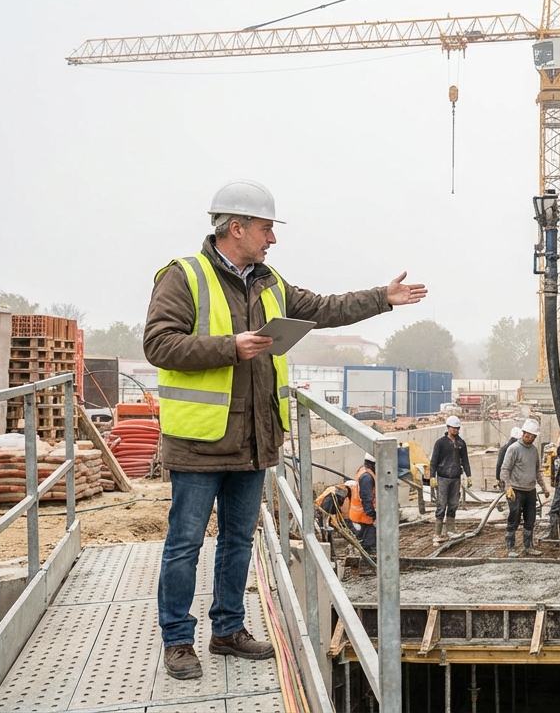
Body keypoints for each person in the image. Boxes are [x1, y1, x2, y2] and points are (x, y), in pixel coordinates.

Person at [144, 179, 427, 680]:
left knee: (237, 541)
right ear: (237, 228)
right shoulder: (182, 276)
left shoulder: (269, 282)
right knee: (184, 545)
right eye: (266, 228)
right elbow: (160, 345)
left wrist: (382, 298)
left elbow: (323, 308)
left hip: (254, 441)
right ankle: (178, 641)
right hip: (199, 444)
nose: (272, 238)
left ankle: (228, 629)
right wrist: (230, 346)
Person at [499, 419, 551, 557]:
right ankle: (510, 547)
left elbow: (537, 471)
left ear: (534, 437)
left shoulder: (534, 451)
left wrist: (544, 487)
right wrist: (508, 487)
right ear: (523, 433)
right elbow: (504, 469)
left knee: (530, 519)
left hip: (530, 491)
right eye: (527, 434)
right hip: (516, 491)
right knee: (514, 518)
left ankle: (528, 546)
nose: (529, 437)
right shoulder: (514, 449)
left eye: (531, 436)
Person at [429, 415, 472, 542]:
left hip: (455, 478)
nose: (455, 431)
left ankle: (450, 531)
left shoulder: (461, 443)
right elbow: (434, 461)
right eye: (453, 428)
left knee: (453, 504)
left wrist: (469, 476)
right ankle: (437, 533)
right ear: (448, 428)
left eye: (457, 428)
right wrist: (432, 476)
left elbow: (465, 460)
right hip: (443, 478)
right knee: (441, 504)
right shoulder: (440, 443)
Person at [345, 455, 379, 555]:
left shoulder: (364, 472)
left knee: (368, 543)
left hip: (361, 516)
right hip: (363, 517)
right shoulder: (367, 477)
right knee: (369, 546)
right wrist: (373, 515)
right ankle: (369, 564)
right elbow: (366, 498)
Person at [496, 427, 521, 492]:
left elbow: (499, 465)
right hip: (518, 481)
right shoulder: (520, 449)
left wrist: (498, 478)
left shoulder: (503, 449)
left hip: (506, 479)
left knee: (508, 498)